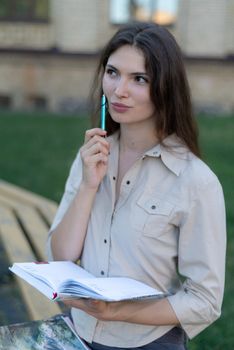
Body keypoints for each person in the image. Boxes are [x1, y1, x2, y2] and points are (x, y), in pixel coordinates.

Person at [46, 22, 226, 350]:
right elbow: (62, 256)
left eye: (139, 79)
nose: (119, 90)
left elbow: (205, 300)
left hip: (147, 343)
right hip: (76, 333)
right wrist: (88, 186)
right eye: (113, 73)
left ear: (166, 88)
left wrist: (119, 312)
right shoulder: (91, 156)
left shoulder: (195, 182)